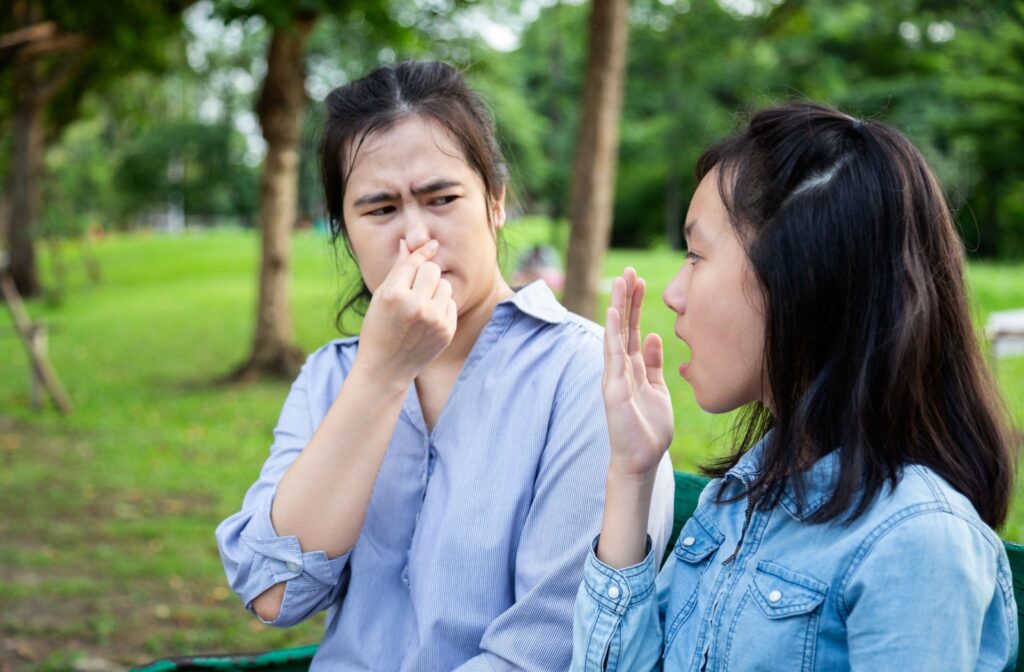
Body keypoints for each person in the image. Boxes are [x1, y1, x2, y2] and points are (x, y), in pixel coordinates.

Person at [215, 60, 675, 671]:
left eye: (442, 199)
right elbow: (274, 591)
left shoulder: (584, 373)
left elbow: (546, 648)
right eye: (379, 211)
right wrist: (379, 377)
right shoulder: (331, 376)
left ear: (496, 201)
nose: (415, 237)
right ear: (344, 232)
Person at [573, 102, 1018, 671]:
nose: (673, 294)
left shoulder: (916, 544)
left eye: (695, 255)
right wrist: (632, 472)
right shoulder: (740, 498)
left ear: (800, 281)